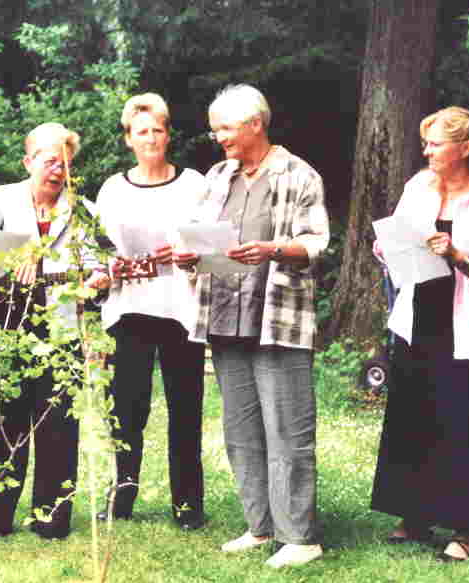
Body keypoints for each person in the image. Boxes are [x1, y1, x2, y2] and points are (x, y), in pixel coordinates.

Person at [173, 84, 329, 568]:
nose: (218, 137)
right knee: (241, 431)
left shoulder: (299, 174)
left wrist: (273, 250)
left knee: (287, 430)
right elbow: (201, 239)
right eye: (215, 128)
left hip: (276, 318)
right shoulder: (219, 176)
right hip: (223, 316)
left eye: (226, 128)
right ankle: (260, 527)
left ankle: (299, 537)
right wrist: (188, 256)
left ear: (255, 124)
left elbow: (318, 242)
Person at [370, 106, 469, 562]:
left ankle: (466, 528)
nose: (427, 151)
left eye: (436, 144)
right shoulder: (417, 188)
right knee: (412, 416)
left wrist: (458, 255)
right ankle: (413, 515)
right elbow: (394, 244)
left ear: (466, 148)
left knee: (464, 424)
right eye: (427, 143)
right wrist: (387, 246)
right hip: (418, 318)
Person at [0, 122, 109, 543]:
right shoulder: (2, 199)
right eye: (48, 160)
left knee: (58, 423)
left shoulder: (83, 208)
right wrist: (10, 263)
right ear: (28, 161)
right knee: (3, 424)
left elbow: (104, 260)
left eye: (63, 161)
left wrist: (99, 279)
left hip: (62, 329)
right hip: (8, 326)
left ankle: (52, 515)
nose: (56, 169)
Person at [95, 93, 206, 529]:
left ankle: (188, 504)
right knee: (127, 409)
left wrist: (188, 251)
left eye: (158, 129)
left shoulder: (195, 184)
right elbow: (96, 251)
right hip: (129, 308)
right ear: (128, 139)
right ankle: (123, 495)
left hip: (180, 305)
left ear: (168, 134)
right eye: (142, 131)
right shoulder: (112, 188)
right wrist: (110, 266)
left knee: (185, 408)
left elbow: (212, 240)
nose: (151, 137)